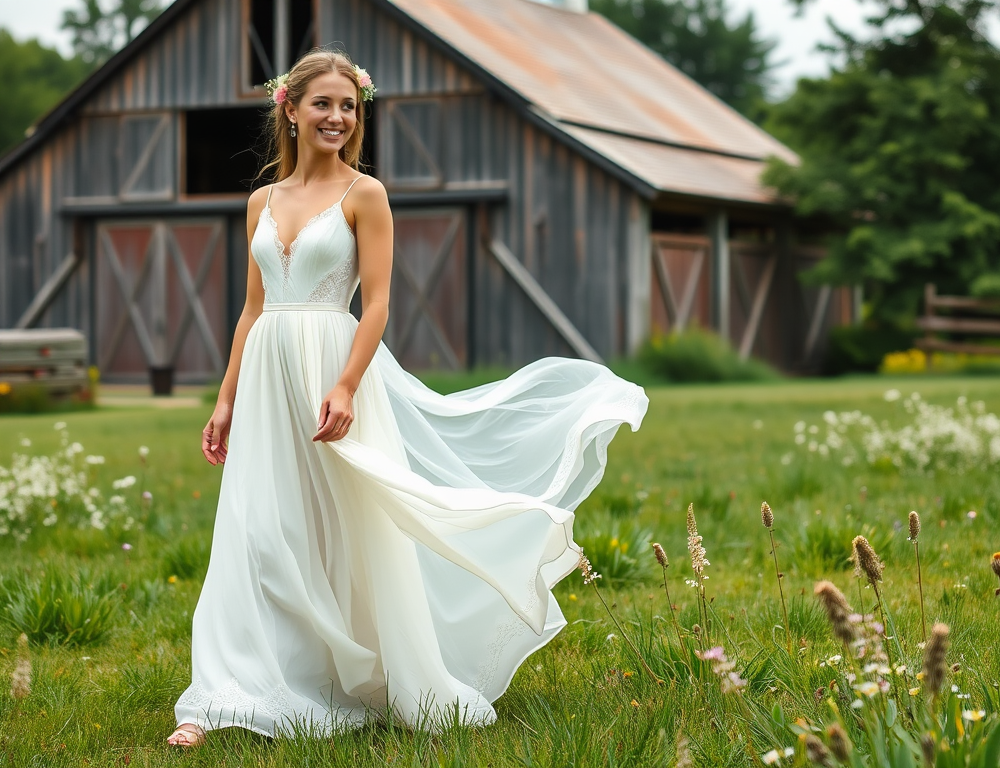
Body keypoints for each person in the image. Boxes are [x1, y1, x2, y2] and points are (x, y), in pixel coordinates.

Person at [166, 47, 648, 747]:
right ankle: (222, 695)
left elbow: (380, 303)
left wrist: (346, 384)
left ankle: (343, 672)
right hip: (268, 373)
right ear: (291, 110)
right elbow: (251, 308)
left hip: (334, 366)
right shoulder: (259, 202)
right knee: (260, 529)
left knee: (349, 527)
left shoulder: (366, 194)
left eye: (349, 107)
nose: (337, 117)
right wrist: (225, 398)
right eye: (323, 104)